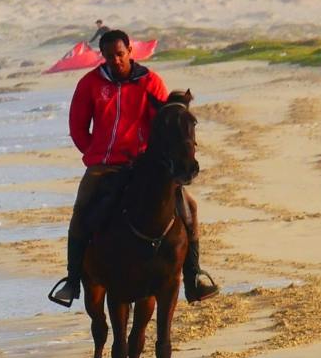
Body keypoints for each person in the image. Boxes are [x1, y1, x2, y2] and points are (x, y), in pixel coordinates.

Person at [48, 30, 219, 307]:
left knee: (190, 207)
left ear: (130, 51)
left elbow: (164, 126)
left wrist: (155, 159)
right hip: (104, 166)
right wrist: (96, 153)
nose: (115, 60)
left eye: (120, 54)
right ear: (102, 56)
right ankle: (72, 279)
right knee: (81, 209)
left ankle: (193, 275)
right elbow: (78, 128)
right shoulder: (89, 84)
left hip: (145, 164)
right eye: (109, 56)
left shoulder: (150, 81)